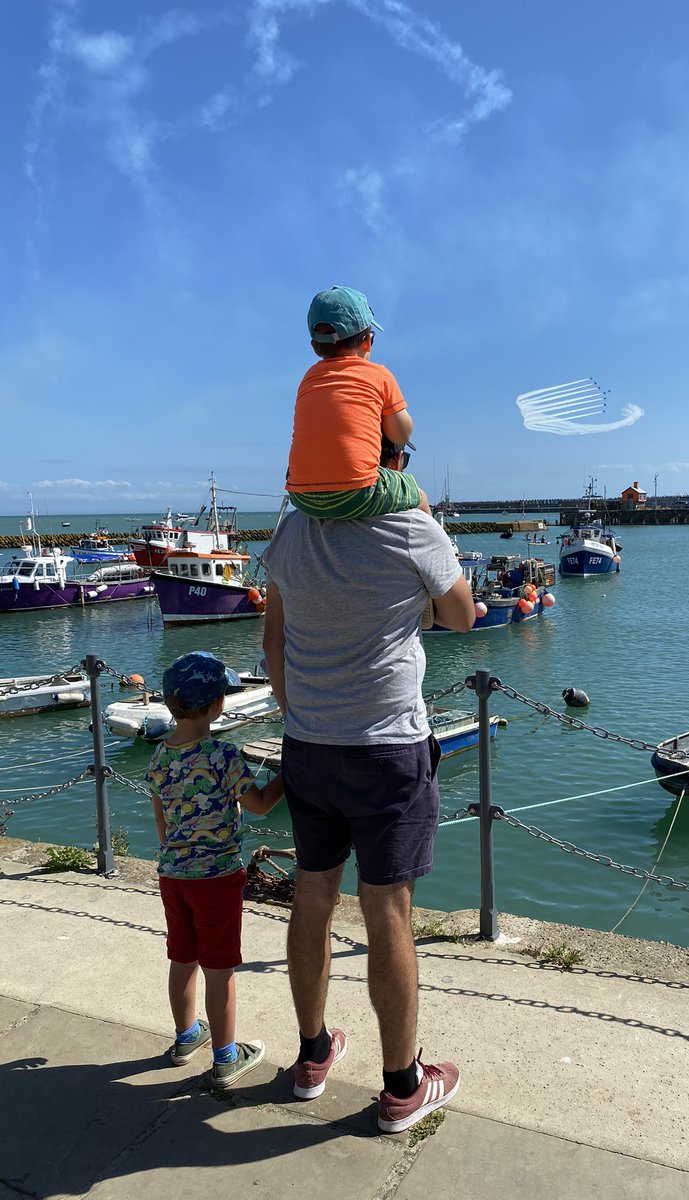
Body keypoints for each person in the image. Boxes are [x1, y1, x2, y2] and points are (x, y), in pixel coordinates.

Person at [262, 442, 475, 1132]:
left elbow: (274, 640)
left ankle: (313, 1055)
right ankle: (401, 1086)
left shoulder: (293, 527)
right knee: (387, 910)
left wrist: (299, 714)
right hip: (387, 748)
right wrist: (424, 513)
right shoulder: (411, 524)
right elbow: (461, 616)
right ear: (392, 460)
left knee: (312, 893)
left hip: (309, 745)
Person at [147, 651, 284, 1087]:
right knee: (220, 969)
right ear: (217, 704)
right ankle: (226, 1057)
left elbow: (162, 823)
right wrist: (292, 773)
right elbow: (260, 806)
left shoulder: (159, 758)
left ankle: (186, 1036)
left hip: (173, 875)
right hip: (218, 878)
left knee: (181, 957)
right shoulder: (223, 755)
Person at [285, 285, 430, 519]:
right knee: (419, 496)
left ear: (314, 347)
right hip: (357, 494)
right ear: (368, 342)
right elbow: (401, 434)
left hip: (301, 497)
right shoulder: (380, 375)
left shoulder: (308, 379)